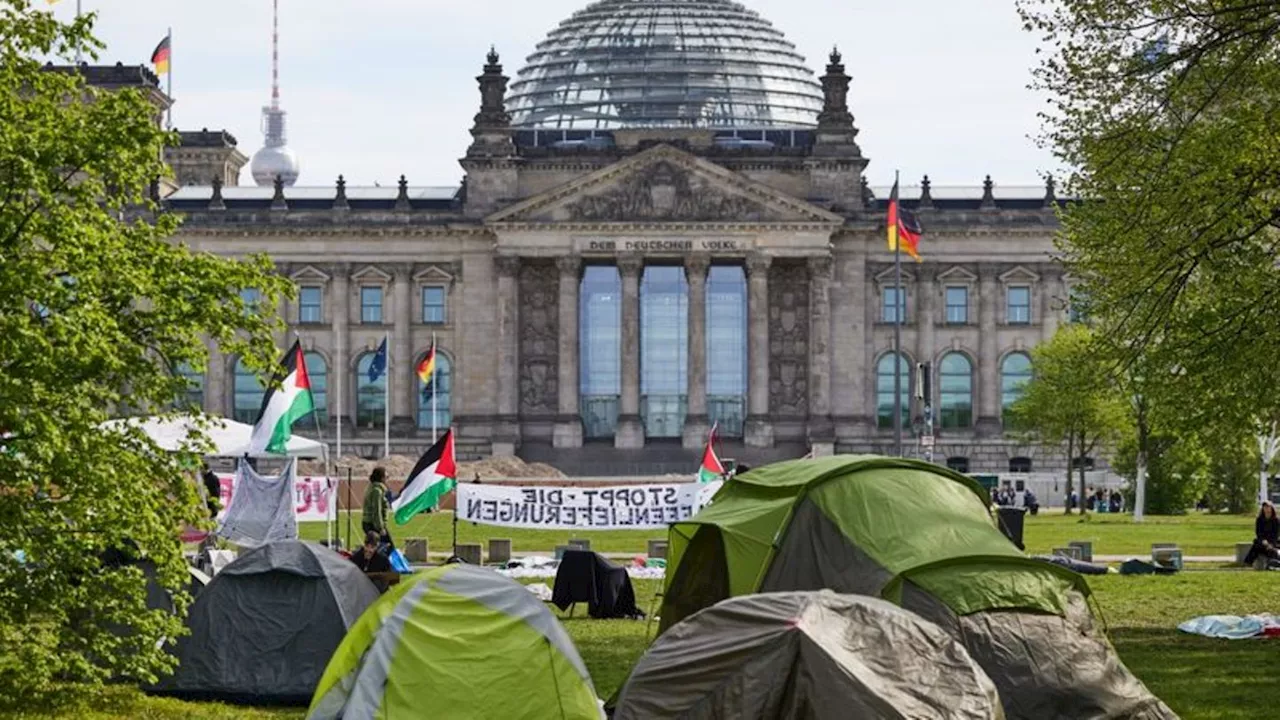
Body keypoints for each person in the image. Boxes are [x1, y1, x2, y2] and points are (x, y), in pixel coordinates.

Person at [362, 467, 393, 546]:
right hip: (373, 524)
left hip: (370, 523)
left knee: (375, 547)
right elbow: (376, 511)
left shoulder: (372, 488)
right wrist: (380, 528)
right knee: (388, 546)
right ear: (381, 478)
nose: (387, 479)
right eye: (386, 477)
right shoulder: (377, 491)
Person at [1244, 502, 1280, 566]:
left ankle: (1248, 562)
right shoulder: (1259, 520)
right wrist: (1263, 540)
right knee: (1257, 544)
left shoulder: (1276, 520)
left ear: (1271, 508)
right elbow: (1258, 532)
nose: (1267, 509)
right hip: (1263, 541)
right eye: (1265, 507)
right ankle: (1248, 563)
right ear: (1263, 509)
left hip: (1273, 541)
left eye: (1268, 507)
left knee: (1267, 549)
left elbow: (1276, 534)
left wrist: (1271, 544)